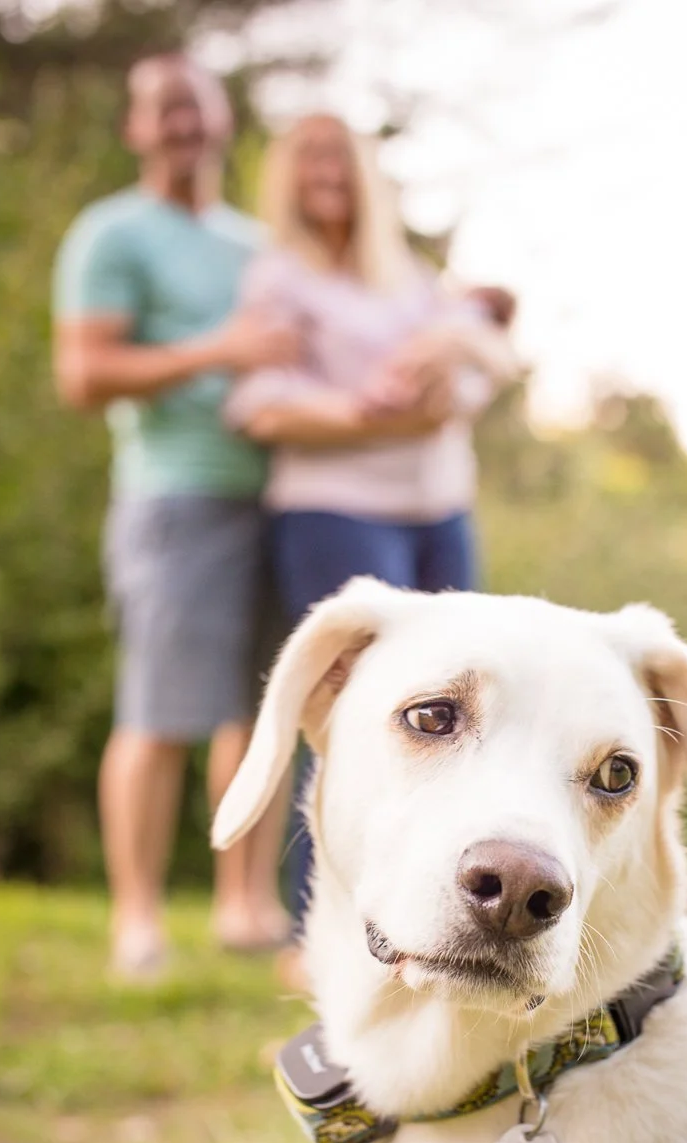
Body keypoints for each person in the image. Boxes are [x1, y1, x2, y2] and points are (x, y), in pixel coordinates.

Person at [223, 112, 518, 964]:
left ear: (360, 172)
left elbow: (489, 367)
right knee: (353, 714)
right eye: (307, 158)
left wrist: (449, 356)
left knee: (459, 712)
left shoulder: (411, 279)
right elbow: (258, 406)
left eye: (337, 157)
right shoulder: (279, 278)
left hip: (439, 509)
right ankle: (314, 928)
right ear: (287, 176)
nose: (325, 172)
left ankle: (433, 913)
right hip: (334, 508)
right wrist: (367, 413)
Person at [52, 54, 298, 977]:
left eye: (195, 105)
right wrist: (217, 351)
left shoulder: (256, 244)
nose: (182, 123)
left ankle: (245, 907)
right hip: (174, 497)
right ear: (135, 129)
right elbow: (84, 374)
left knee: (256, 712)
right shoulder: (111, 233)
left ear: (224, 119)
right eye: (163, 109)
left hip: (275, 495)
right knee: (158, 714)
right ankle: (138, 919)